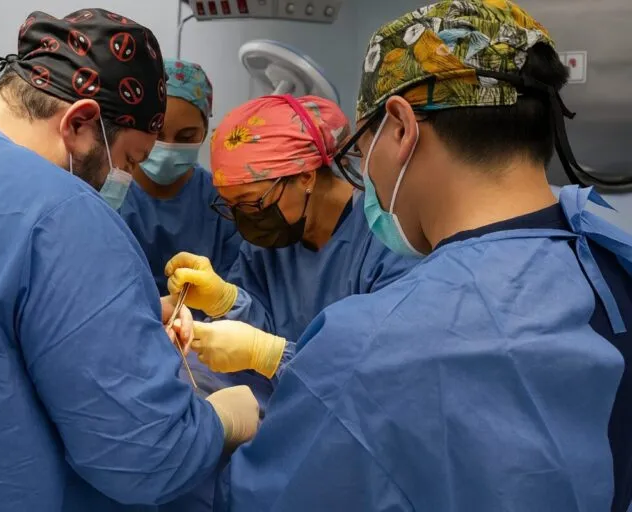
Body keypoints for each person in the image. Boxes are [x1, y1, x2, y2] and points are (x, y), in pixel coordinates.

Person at [213, 1, 632, 510]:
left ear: (400, 127)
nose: (364, 173)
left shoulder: (368, 347)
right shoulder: (611, 262)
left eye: (362, 148)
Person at [0, 10, 259, 512]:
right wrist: (222, 421)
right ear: (78, 124)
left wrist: (125, 315)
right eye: (129, 162)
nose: (125, 179)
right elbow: (146, 458)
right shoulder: (64, 213)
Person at [166, 94, 416, 405]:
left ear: (306, 176)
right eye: (231, 206)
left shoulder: (384, 243)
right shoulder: (270, 240)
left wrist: (270, 355)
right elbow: (256, 339)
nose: (245, 219)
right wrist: (227, 302)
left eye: (250, 203)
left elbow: (377, 375)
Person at [121, 58, 241, 297]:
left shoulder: (221, 201)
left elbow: (235, 288)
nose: (168, 147)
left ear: (205, 132)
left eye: (186, 137)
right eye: (157, 132)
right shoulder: (111, 193)